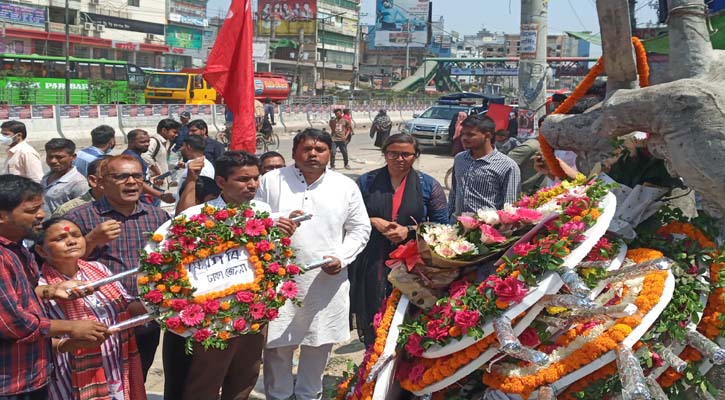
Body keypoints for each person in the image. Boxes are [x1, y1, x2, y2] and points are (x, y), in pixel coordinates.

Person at [165, 151, 297, 400]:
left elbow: (271, 257)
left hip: (254, 311)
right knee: (206, 379)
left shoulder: (262, 210)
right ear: (221, 182)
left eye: (256, 178)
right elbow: (178, 257)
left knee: (245, 375)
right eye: (243, 179)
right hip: (214, 316)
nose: (252, 185)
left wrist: (280, 233)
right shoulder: (200, 217)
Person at [256, 128, 371, 400]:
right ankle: (279, 395)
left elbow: (359, 229)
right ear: (294, 152)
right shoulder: (272, 180)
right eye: (306, 149)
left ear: (330, 153)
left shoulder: (345, 186)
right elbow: (254, 215)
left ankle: (310, 395)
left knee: (318, 344)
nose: (312, 154)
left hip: (325, 280)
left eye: (320, 150)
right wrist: (276, 220)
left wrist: (342, 257)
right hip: (280, 279)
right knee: (277, 345)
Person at [0, 174, 109, 399]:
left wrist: (51, 290)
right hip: (11, 382)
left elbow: (20, 295)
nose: (41, 215)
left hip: (32, 374)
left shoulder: (17, 249)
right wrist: (72, 327)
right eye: (31, 211)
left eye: (40, 207)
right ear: (2, 216)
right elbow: (13, 323)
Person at [65, 155, 171, 380]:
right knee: (99, 381)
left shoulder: (157, 216)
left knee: (136, 378)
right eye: (121, 176)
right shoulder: (78, 217)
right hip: (99, 321)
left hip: (144, 316)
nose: (131, 182)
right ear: (100, 182)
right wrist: (92, 239)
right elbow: (59, 268)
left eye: (137, 176)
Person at [350, 134, 447, 347]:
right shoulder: (366, 182)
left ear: (415, 156)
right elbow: (346, 216)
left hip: (412, 264)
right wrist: (372, 220)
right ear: (385, 154)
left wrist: (410, 230)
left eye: (406, 154)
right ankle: (373, 360)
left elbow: (443, 226)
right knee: (373, 312)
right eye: (393, 153)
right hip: (372, 260)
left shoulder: (428, 185)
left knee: (408, 316)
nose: (399, 159)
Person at [35, 218, 147, 400]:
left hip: (113, 365)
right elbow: (36, 335)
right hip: (67, 374)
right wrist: (70, 342)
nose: (71, 241)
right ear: (41, 250)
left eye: (76, 235)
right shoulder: (41, 287)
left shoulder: (98, 269)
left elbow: (126, 307)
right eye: (60, 238)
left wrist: (159, 302)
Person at [448, 115, 521, 221]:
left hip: (486, 231)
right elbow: (454, 192)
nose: (464, 138)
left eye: (470, 135)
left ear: (487, 135)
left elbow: (510, 206)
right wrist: (449, 218)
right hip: (457, 226)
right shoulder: (460, 159)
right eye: (463, 134)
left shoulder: (507, 166)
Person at [123, 129, 175, 205]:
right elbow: (137, 182)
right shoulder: (131, 158)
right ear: (131, 142)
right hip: (140, 201)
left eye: (148, 141)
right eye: (142, 142)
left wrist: (151, 179)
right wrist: (161, 195)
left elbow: (141, 178)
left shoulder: (137, 156)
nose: (147, 144)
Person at [42, 139, 88, 216]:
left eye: (59, 157)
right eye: (50, 157)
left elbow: (83, 213)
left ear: (73, 157)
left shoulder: (78, 183)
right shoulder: (46, 177)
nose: (53, 161)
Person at [143, 118, 181, 186]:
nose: (176, 135)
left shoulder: (166, 142)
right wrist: (157, 171)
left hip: (161, 183)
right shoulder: (154, 141)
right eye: (174, 132)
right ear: (164, 130)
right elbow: (144, 156)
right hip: (154, 183)